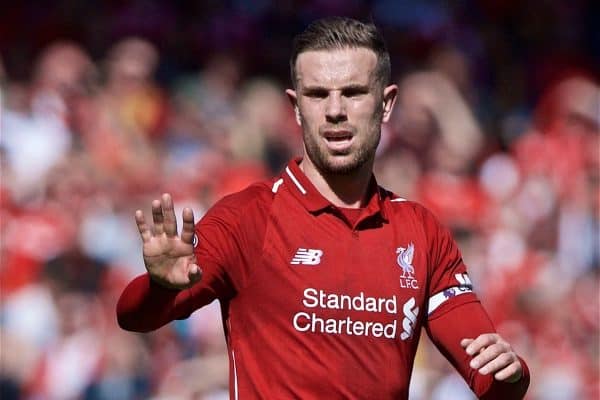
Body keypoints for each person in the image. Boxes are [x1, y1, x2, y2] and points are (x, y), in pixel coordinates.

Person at [117, 17, 530, 399]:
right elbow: (135, 317)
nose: (335, 111)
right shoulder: (246, 217)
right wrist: (160, 288)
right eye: (317, 95)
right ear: (296, 107)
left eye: (352, 93)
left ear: (386, 103)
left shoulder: (420, 231)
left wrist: (512, 373)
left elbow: (490, 378)